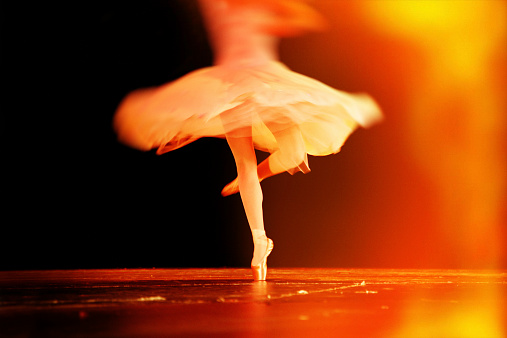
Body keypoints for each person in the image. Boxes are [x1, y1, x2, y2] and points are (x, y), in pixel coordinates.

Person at [114, 0, 382, 280]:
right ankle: (259, 241)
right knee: (244, 163)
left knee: (292, 155)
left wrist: (273, 21)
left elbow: (309, 18)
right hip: (230, 86)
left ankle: (254, 174)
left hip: (267, 80)